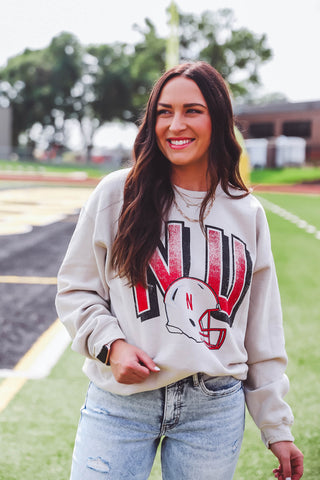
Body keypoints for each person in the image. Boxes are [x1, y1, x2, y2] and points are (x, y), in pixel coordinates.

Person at [56, 61, 304, 480]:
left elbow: (261, 331)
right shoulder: (118, 194)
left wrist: (276, 426)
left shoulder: (247, 212)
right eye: (163, 111)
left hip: (213, 408)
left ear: (218, 119)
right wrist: (112, 345)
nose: (175, 125)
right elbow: (75, 290)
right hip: (122, 402)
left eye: (192, 110)